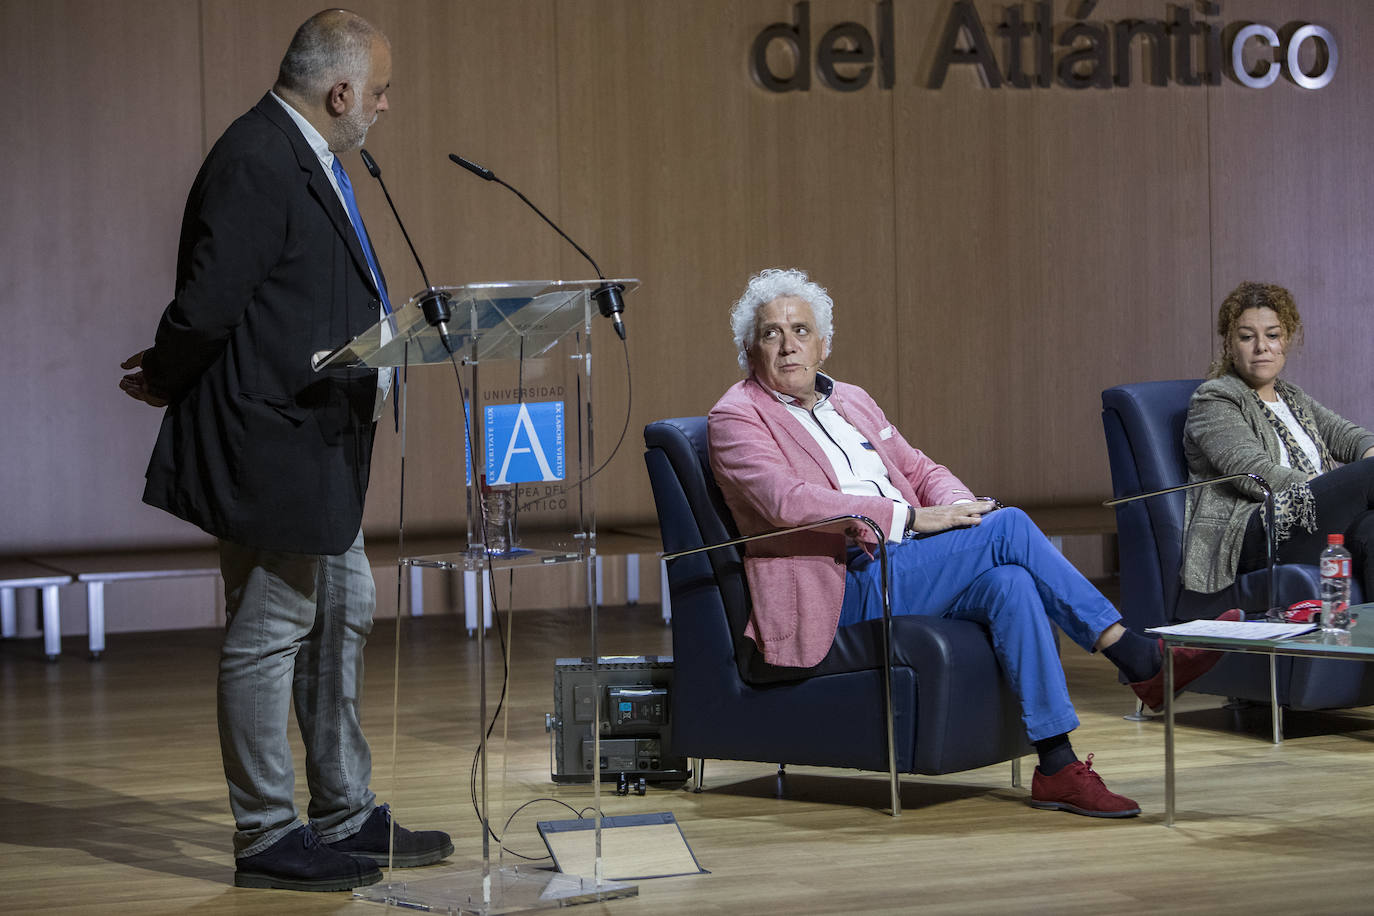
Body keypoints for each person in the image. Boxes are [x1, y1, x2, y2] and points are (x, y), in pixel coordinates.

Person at [118, 9, 451, 893]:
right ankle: (266, 834)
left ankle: (344, 813)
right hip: (269, 441)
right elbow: (208, 303)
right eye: (378, 91)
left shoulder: (310, 154)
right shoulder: (258, 157)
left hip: (320, 438)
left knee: (343, 614)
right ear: (339, 92)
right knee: (271, 631)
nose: (385, 105)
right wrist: (164, 371)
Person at [708, 268, 1238, 818]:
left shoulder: (853, 401)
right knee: (1008, 528)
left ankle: (1057, 763)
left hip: (907, 561)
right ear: (750, 348)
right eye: (771, 333)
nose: (788, 344)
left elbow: (919, 467)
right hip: (841, 580)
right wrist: (910, 518)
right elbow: (785, 501)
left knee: (1008, 581)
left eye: (800, 330)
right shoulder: (736, 416)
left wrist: (963, 511)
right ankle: (1135, 656)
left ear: (824, 343)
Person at [1182, 281, 1374, 598]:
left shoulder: (1291, 397)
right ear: (1229, 344)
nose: (1262, 347)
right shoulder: (1214, 399)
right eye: (1247, 337)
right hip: (1256, 533)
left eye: (1272, 335)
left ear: (1286, 340)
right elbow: (1255, 474)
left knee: (1371, 527)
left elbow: (1351, 437)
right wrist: (1330, 490)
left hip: (1310, 522)